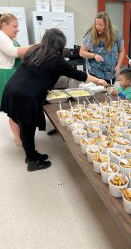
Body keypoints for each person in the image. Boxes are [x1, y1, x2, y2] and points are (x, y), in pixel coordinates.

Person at [1, 28, 107, 172]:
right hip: (25, 96)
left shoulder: (35, 51)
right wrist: (99, 81)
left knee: (25, 126)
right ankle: (32, 160)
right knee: (27, 127)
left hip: (13, 90)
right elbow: (79, 75)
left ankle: (31, 154)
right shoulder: (56, 60)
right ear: (59, 45)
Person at [0, 13, 29, 146]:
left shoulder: (9, 37)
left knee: (17, 108)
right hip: (7, 75)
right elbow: (13, 52)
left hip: (14, 74)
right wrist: (37, 46)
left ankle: (21, 135)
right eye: (14, 26)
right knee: (13, 110)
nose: (17, 29)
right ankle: (18, 140)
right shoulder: (1, 36)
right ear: (4, 25)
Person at [79, 11, 125, 85]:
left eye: (101, 25)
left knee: (108, 93)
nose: (97, 27)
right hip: (95, 73)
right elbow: (82, 52)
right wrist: (94, 55)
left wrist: (118, 66)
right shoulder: (91, 35)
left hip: (111, 73)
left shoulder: (115, 33)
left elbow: (122, 51)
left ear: (107, 25)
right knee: (97, 94)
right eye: (96, 24)